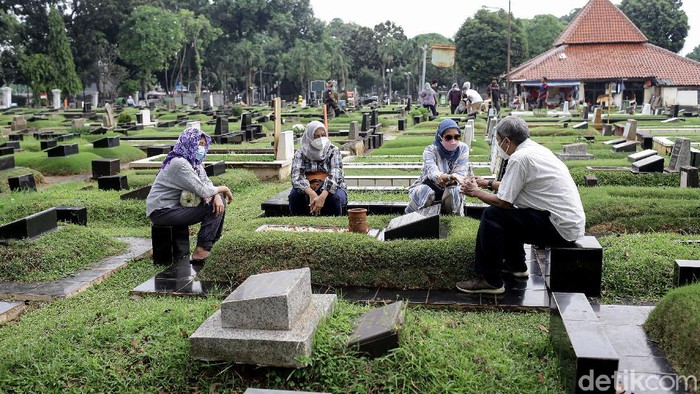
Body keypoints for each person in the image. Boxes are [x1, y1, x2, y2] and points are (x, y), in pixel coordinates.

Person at [456, 116, 585, 294]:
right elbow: (514, 187)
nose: (499, 145)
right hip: (567, 224)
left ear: (507, 141)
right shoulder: (535, 150)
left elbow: (503, 202)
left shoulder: (519, 158)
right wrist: (486, 183)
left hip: (559, 229)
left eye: (499, 141)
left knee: (494, 215)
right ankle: (516, 266)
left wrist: (474, 192)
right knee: (513, 214)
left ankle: (490, 280)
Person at [146, 127, 234, 264]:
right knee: (212, 205)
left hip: (174, 208)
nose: (202, 148)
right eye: (199, 144)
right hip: (161, 211)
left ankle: (210, 244)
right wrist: (223, 189)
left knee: (218, 200)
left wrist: (217, 194)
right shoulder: (179, 163)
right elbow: (203, 191)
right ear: (189, 142)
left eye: (204, 145)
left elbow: (206, 184)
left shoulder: (193, 162)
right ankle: (201, 250)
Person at [406, 119, 470, 215]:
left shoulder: (463, 148)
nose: (453, 141)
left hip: (450, 187)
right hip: (430, 186)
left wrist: (451, 179)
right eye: (448, 137)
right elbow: (433, 173)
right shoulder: (430, 150)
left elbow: (461, 173)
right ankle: (416, 216)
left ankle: (452, 218)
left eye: (457, 137)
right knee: (425, 191)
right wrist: (451, 177)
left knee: (455, 190)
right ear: (440, 137)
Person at [289, 120, 348, 216]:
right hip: (308, 186)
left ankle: (334, 225)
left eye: (323, 135)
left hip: (330, 187)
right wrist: (312, 193)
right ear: (309, 137)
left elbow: (336, 174)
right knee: (294, 196)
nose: (320, 139)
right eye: (316, 136)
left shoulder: (333, 150)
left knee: (335, 198)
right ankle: (298, 224)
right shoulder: (301, 152)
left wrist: (323, 195)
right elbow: (296, 176)